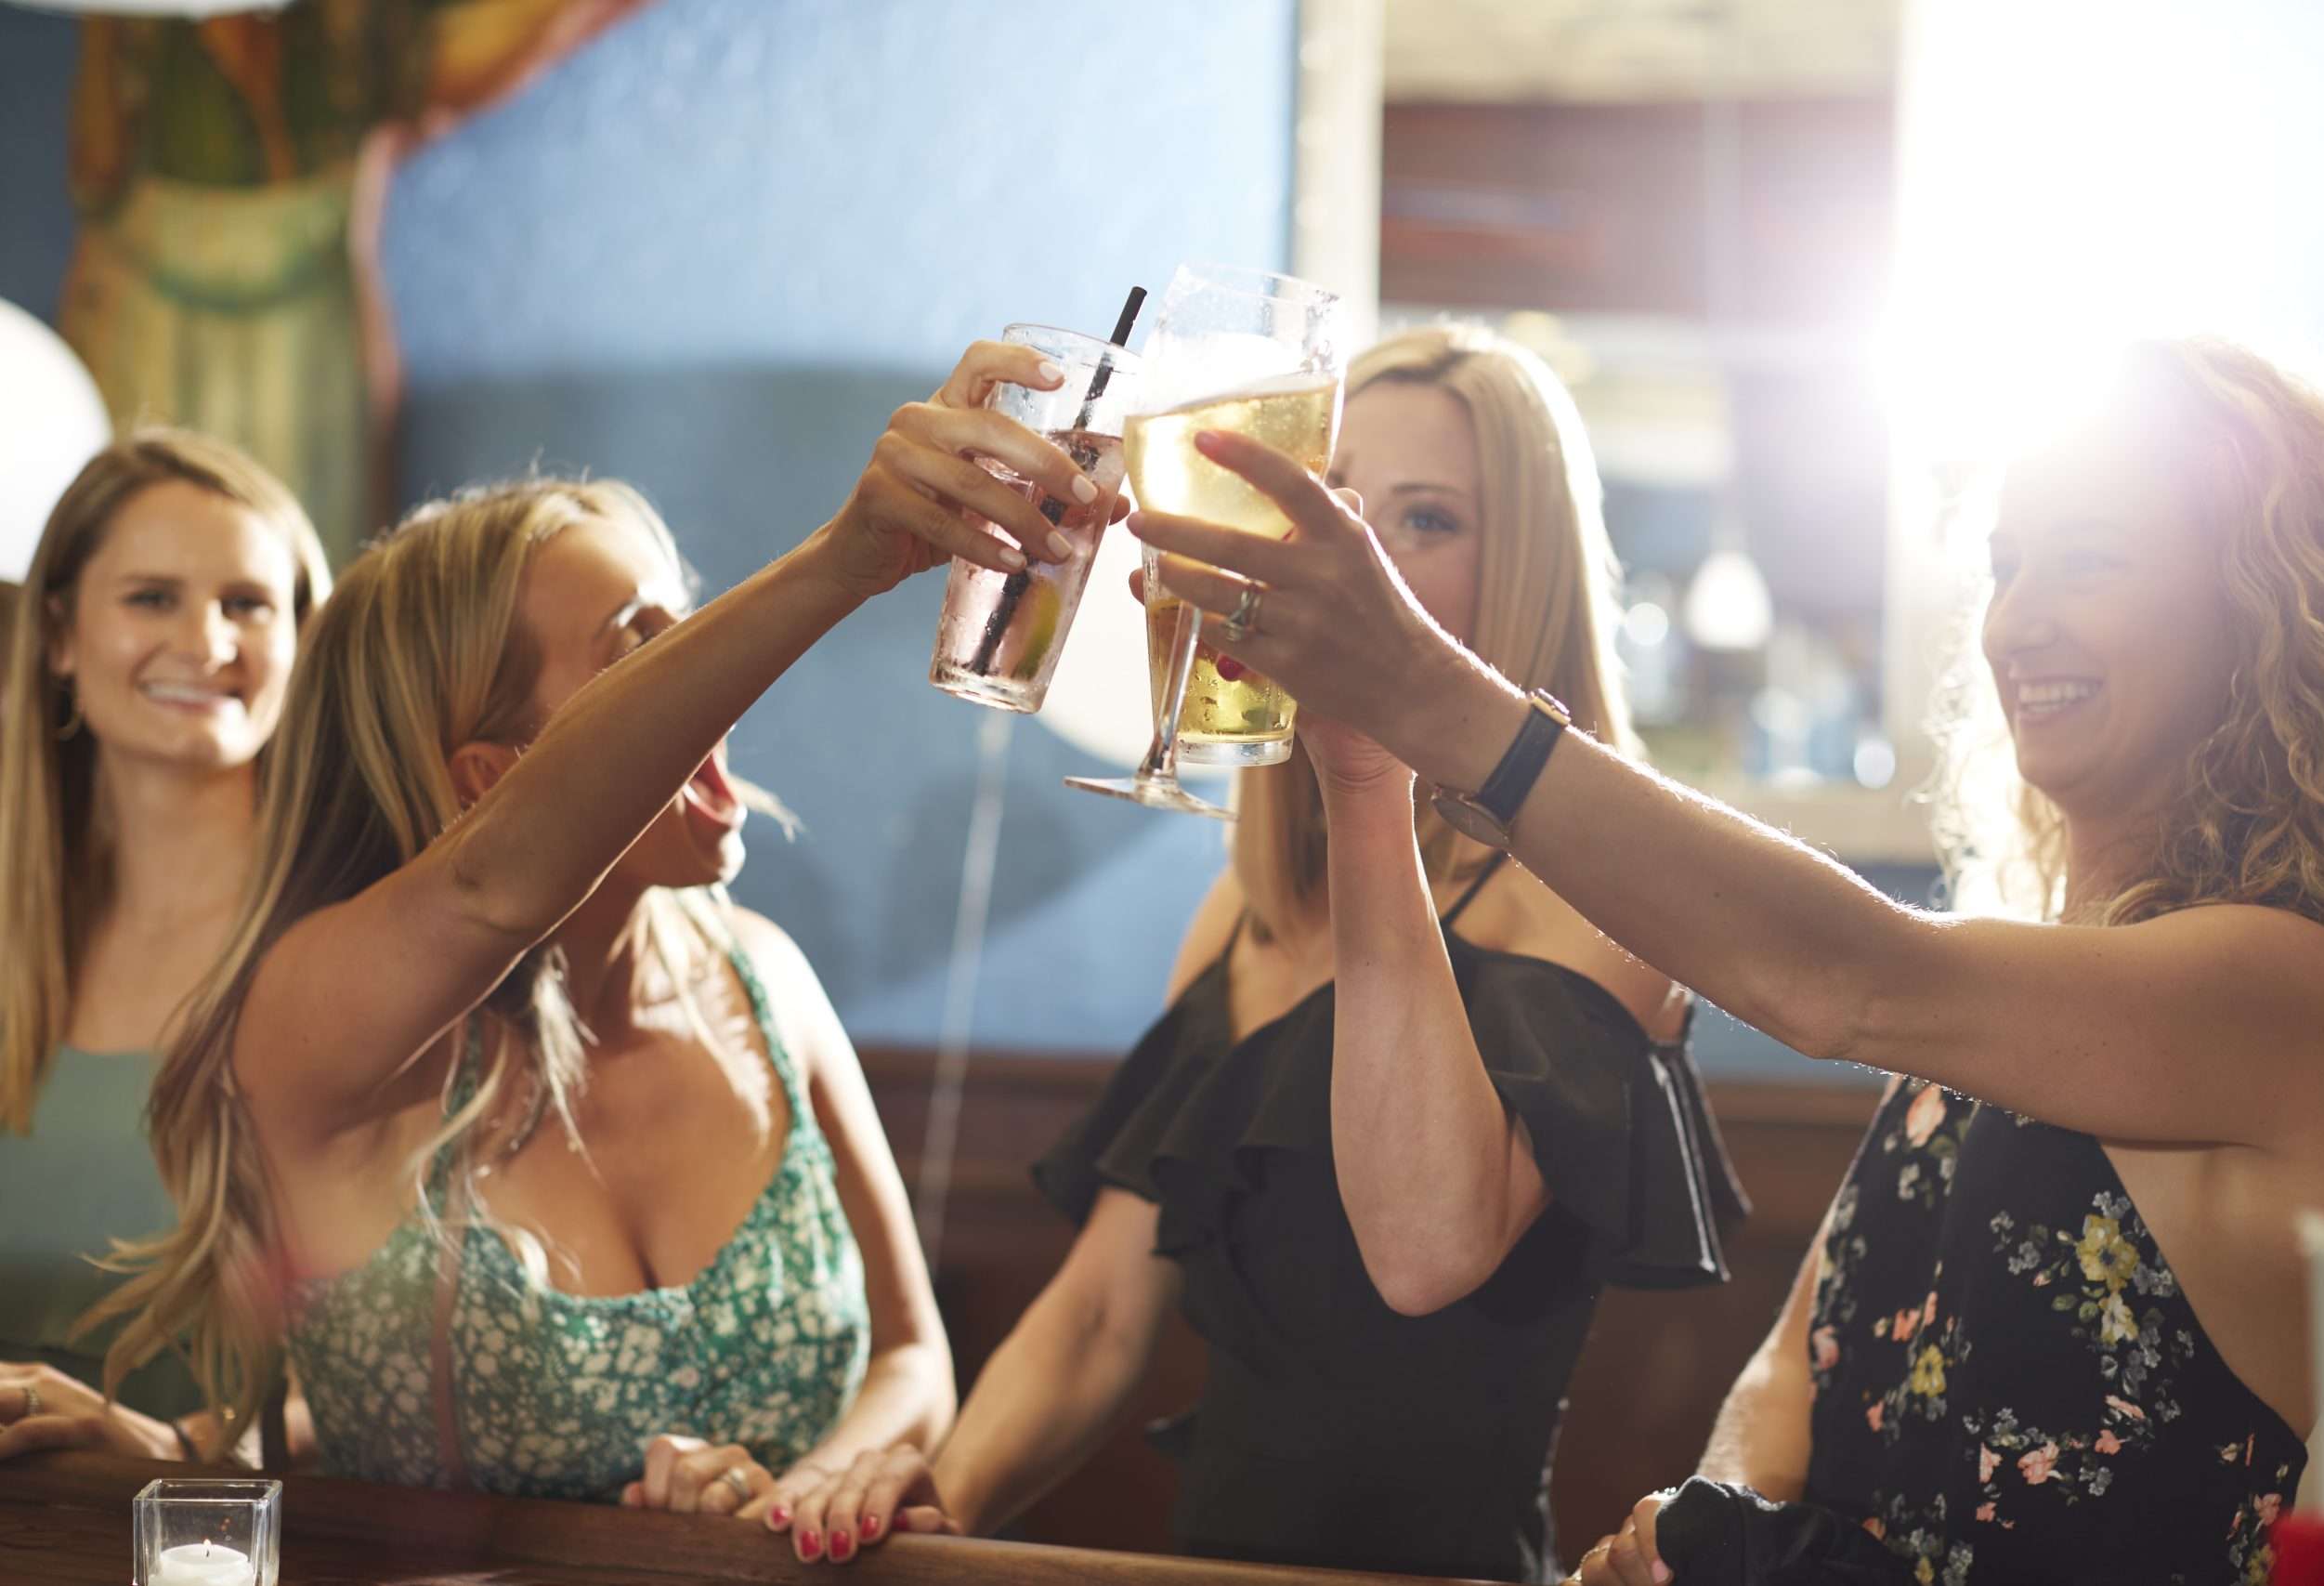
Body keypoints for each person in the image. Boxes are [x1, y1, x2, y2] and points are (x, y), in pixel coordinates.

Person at [1127, 335, 2324, 1584]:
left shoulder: (2296, 996)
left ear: (2262, 604)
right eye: (2006, 566)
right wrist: (1702, 1525)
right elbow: (1792, 1371)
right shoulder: (2020, 998)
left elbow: (1842, 974)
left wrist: (1420, 690)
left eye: (2088, 560)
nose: (2019, 620)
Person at [2, 343, 1098, 1509]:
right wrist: (841, 563)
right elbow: (495, 891)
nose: (706, 676)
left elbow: (909, 1354)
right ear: (491, 779)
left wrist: (806, 1500)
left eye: (683, 625)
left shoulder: (763, 981)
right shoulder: (328, 1024)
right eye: (642, 645)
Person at [791, 326, 1745, 1582]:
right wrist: (937, 1493)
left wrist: (1368, 761)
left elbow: (1423, 1250)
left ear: (1529, 574)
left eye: (1428, 520)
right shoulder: (1240, 914)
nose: (1354, 552)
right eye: (1335, 503)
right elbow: (1093, 1318)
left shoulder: (1598, 906)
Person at [0, 431, 331, 1448]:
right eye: (152, 598)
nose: (206, 642)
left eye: (247, 604)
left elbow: (468, 1363)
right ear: (58, 635)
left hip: (233, 1545)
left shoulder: (356, 949)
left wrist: (187, 1450)